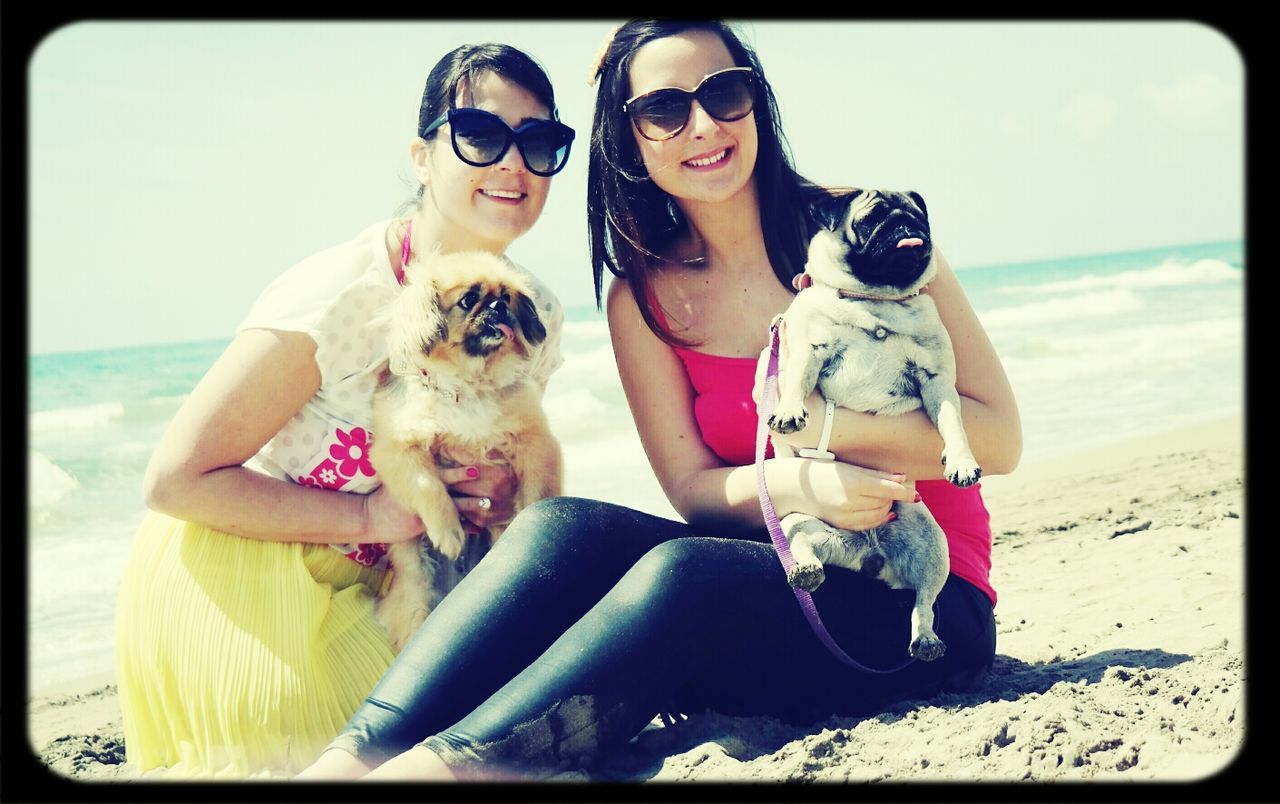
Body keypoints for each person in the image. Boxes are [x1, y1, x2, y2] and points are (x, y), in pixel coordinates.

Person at [295, 18, 1021, 782]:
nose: (701, 125)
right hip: (785, 571)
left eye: (724, 94)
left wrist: (834, 428)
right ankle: (349, 764)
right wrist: (798, 480)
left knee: (681, 574)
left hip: (919, 606)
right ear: (630, 136)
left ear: (756, 101)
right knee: (559, 528)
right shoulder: (643, 295)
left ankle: (440, 776)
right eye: (664, 110)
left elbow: (999, 440)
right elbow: (693, 490)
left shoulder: (868, 229)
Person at [112, 42, 574, 779]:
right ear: (423, 157)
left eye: (540, 141)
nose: (512, 162)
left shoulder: (530, 312)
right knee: (418, 747)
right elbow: (174, 481)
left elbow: (502, 471)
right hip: (249, 574)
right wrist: (366, 518)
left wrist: (494, 505)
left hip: (395, 582)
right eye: (480, 136)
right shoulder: (338, 295)